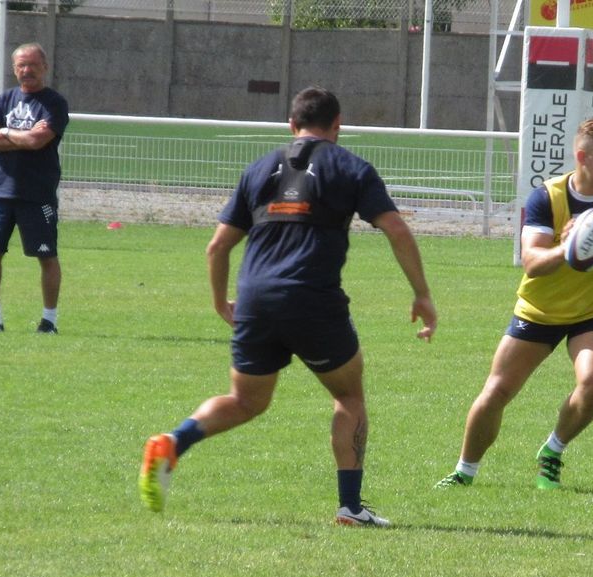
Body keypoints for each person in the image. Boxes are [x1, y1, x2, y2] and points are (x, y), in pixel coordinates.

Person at [139, 87, 437, 527]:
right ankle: (350, 508)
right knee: (348, 395)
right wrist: (421, 293)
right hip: (312, 298)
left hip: (255, 299)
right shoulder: (350, 167)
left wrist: (220, 301)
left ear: (292, 125)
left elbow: (217, 247)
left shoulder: (258, 169)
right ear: (337, 126)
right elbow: (395, 228)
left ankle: (172, 442)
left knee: (245, 400)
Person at [435, 117, 593, 490]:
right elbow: (532, 262)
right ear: (582, 157)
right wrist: (566, 248)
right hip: (540, 310)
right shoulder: (546, 197)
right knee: (497, 391)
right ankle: (464, 472)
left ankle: (553, 450)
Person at [0, 42, 70, 334]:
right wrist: (21, 135)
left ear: (45, 67)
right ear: (14, 69)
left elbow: (36, 141)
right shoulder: (5, 99)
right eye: (21, 65)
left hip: (37, 194)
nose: (27, 70)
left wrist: (5, 131)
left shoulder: (54, 103)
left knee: (46, 256)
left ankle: (49, 321)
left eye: (32, 64)